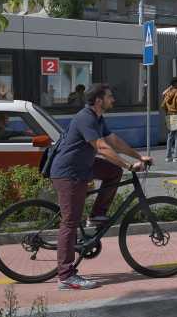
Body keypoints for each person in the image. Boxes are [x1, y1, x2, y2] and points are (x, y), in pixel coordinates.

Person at [49, 83, 152, 290]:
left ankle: (97, 214)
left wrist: (138, 155)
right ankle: (66, 275)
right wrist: (129, 165)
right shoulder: (85, 118)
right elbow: (102, 147)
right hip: (69, 172)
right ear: (98, 101)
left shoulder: (98, 117)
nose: (113, 100)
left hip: (83, 167)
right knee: (69, 222)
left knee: (113, 172)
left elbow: (113, 140)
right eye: (110, 96)